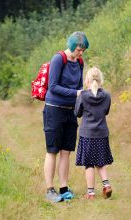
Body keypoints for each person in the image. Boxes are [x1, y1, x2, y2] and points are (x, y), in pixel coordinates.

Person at [43, 31, 89, 202]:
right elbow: (52, 86)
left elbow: (79, 87)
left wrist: (80, 101)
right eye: (78, 49)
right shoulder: (58, 59)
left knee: (66, 152)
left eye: (83, 50)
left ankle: (64, 189)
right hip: (54, 109)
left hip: (70, 111)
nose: (80, 53)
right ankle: (49, 190)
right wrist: (76, 93)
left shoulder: (80, 62)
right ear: (71, 46)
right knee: (52, 150)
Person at [74, 67, 113, 200]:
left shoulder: (83, 95)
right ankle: (106, 185)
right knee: (100, 161)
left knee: (89, 163)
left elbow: (77, 113)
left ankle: (90, 193)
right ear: (100, 80)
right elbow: (106, 111)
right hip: (102, 133)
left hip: (87, 135)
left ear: (87, 80)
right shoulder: (106, 95)